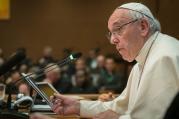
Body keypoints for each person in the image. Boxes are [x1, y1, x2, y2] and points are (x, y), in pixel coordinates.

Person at [30, 2, 179, 119]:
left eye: (118, 29)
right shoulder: (142, 62)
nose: (113, 40)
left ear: (143, 26)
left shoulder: (163, 58)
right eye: (111, 33)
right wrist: (78, 107)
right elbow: (121, 107)